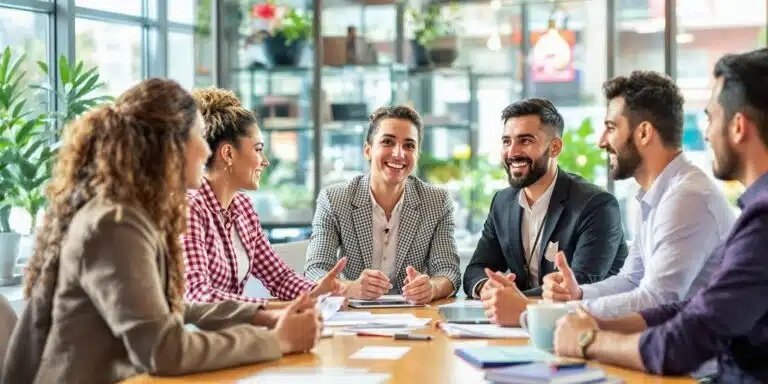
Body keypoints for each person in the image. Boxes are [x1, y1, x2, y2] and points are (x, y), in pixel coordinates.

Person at [2, 79, 322, 384]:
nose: (207, 150)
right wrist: (274, 340)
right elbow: (163, 349)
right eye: (199, 135)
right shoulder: (115, 223)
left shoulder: (134, 213)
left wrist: (256, 315)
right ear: (171, 145)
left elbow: (167, 311)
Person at [553, 47, 768, 384]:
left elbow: (684, 338)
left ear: (738, 127)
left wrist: (586, 339)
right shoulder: (750, 210)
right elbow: (692, 307)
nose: (707, 133)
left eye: (711, 117)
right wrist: (588, 317)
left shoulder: (756, 216)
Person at [539, 71, 736, 319]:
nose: (602, 141)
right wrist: (578, 294)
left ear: (644, 133)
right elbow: (633, 280)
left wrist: (552, 313)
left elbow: (657, 300)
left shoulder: (687, 197)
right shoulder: (658, 194)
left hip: (699, 354)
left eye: (611, 128)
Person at [182, 87, 345, 307]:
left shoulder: (243, 208)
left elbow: (279, 278)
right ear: (228, 154)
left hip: (235, 332)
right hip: (198, 336)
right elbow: (197, 295)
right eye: (258, 149)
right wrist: (275, 307)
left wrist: (319, 292)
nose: (265, 161)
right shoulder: (190, 208)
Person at [464, 97, 628, 314]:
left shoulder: (596, 205)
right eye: (506, 141)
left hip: (588, 324)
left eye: (525, 141)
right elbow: (475, 270)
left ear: (555, 147)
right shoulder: (503, 202)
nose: (512, 152)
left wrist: (514, 299)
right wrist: (487, 287)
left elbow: (579, 286)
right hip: (520, 325)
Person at [304, 105, 461, 304]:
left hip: (414, 315)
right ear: (368, 150)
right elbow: (314, 270)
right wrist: (350, 287)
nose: (398, 154)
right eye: (388, 142)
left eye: (409, 145)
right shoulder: (334, 199)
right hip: (353, 316)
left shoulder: (437, 202)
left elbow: (449, 271)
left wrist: (432, 288)